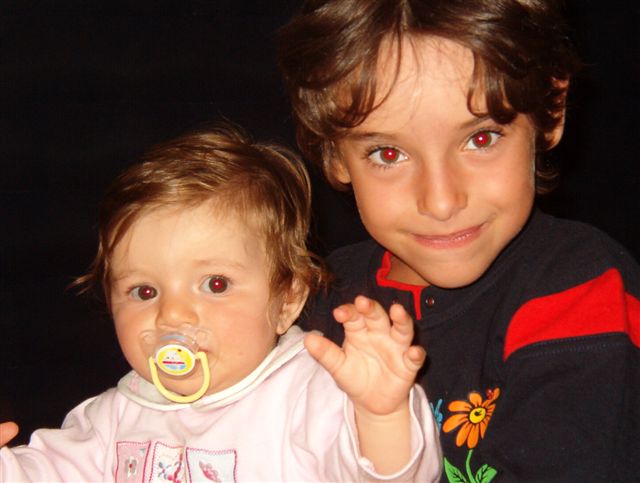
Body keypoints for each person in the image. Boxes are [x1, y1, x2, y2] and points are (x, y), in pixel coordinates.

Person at [277, 1, 640, 481]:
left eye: (481, 139)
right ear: (333, 153)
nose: (441, 201)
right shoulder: (311, 298)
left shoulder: (582, 293)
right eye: (388, 153)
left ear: (551, 111)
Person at [0, 125, 442, 481]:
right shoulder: (115, 416)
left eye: (215, 284)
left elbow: (390, 475)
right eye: (144, 292)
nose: (171, 315)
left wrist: (379, 413)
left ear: (287, 301)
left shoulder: (310, 396)